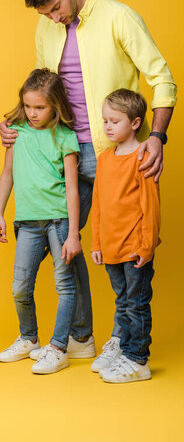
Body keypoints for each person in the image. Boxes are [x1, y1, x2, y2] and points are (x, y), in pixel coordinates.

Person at [0, 0, 176, 356]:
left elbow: (162, 77)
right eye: (45, 14)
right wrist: (13, 123)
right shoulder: (46, 25)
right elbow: (43, 88)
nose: (54, 17)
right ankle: (82, 338)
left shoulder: (119, 17)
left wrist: (158, 137)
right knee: (70, 245)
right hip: (65, 153)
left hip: (120, 155)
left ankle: (122, 340)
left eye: (56, 7)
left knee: (126, 249)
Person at [0, 68, 86, 375]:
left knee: (65, 285)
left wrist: (74, 233)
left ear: (55, 105)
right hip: (28, 223)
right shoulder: (15, 132)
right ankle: (29, 337)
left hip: (59, 221)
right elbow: (7, 174)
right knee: (21, 286)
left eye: (40, 107)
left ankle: (58, 347)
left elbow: (73, 188)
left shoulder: (66, 138)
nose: (33, 113)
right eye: (28, 106)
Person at [90, 89, 160, 383]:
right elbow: (98, 203)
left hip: (134, 249)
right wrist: (96, 242)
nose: (107, 126)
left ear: (134, 123)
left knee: (137, 304)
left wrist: (146, 246)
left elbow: (150, 205)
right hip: (111, 247)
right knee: (122, 301)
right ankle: (123, 349)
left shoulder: (142, 156)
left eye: (114, 121)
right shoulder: (105, 158)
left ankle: (138, 359)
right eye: (105, 120)